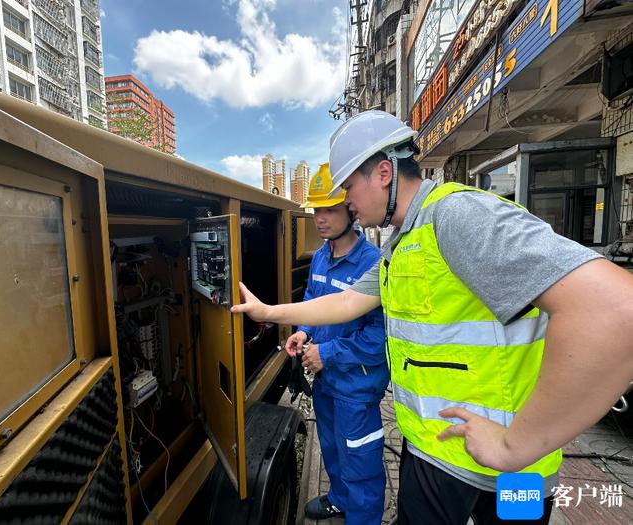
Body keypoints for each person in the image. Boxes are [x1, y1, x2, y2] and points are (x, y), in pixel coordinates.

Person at [232, 111, 633, 524]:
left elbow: (616, 311)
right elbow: (347, 302)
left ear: (384, 172)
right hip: (434, 456)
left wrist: (517, 445)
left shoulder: (457, 216)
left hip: (514, 474)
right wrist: (268, 311)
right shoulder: (401, 243)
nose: (345, 200)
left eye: (349, 186)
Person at [289, 163, 388, 524]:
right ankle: (339, 499)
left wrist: (325, 353)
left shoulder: (373, 265)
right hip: (328, 381)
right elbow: (314, 305)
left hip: (357, 386)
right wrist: (303, 332)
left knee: (359, 457)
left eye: (329, 209)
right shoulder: (320, 256)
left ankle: (363, 518)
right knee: (331, 447)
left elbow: (378, 339)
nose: (319, 219)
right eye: (316, 210)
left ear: (350, 208)